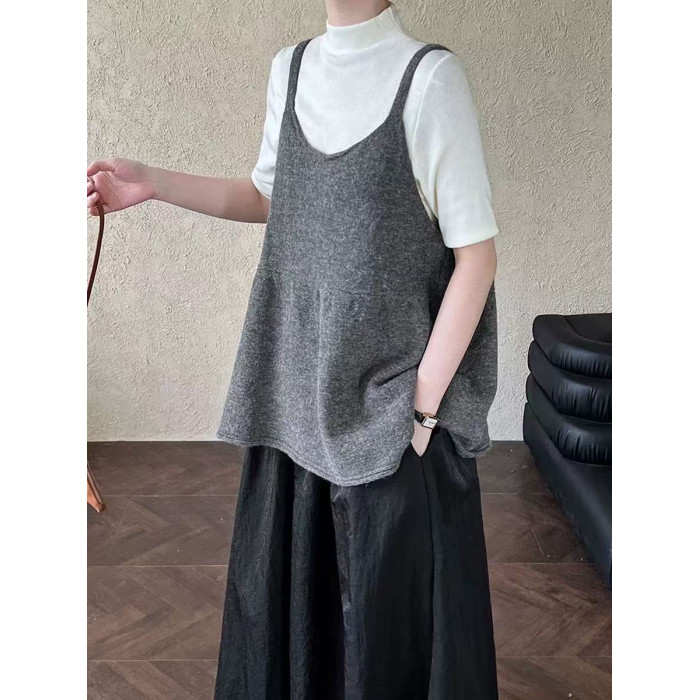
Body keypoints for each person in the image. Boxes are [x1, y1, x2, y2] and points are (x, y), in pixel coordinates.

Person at [87, 1, 500, 697]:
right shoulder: (293, 68)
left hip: (387, 417)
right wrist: (152, 183)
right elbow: (271, 195)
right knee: (296, 631)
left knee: (386, 641)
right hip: (293, 402)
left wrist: (420, 414)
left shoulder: (431, 80)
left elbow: (476, 257)